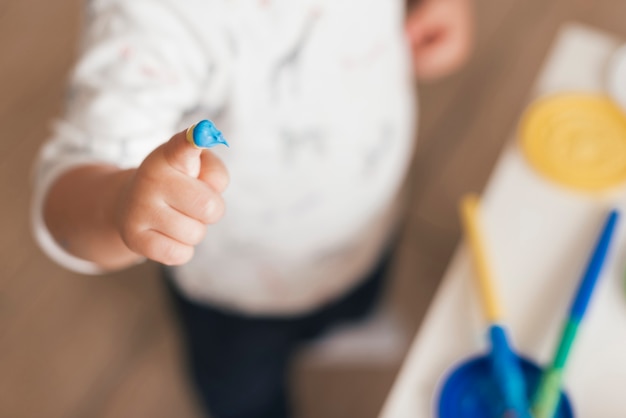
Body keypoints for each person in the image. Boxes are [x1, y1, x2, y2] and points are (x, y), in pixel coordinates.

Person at [31, 0, 473, 417]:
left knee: (354, 304)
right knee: (243, 391)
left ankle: (343, 324)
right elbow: (66, 186)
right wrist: (118, 207)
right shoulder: (155, 20)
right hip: (238, 289)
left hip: (365, 221)